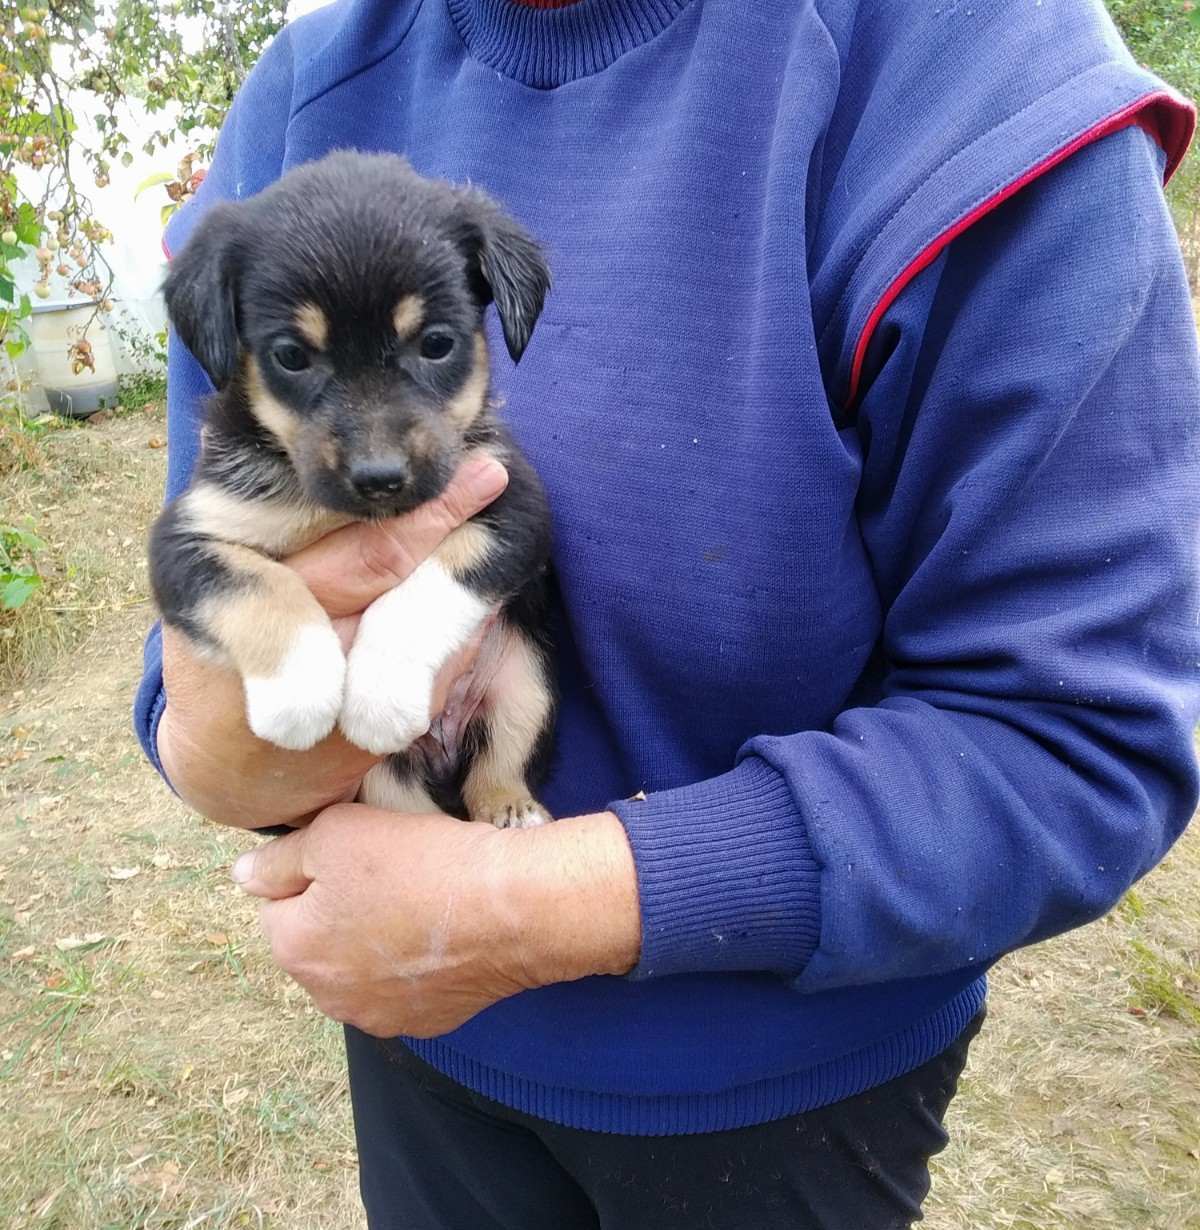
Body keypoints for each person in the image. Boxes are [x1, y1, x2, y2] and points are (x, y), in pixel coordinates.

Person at [134, 1, 1200, 1226]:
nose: (374, 450)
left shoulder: (979, 70)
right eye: (306, 363)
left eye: (435, 351)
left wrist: (523, 905)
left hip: (782, 1086)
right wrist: (212, 748)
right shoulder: (307, 88)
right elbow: (199, 595)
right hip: (413, 1035)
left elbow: (1078, 741)